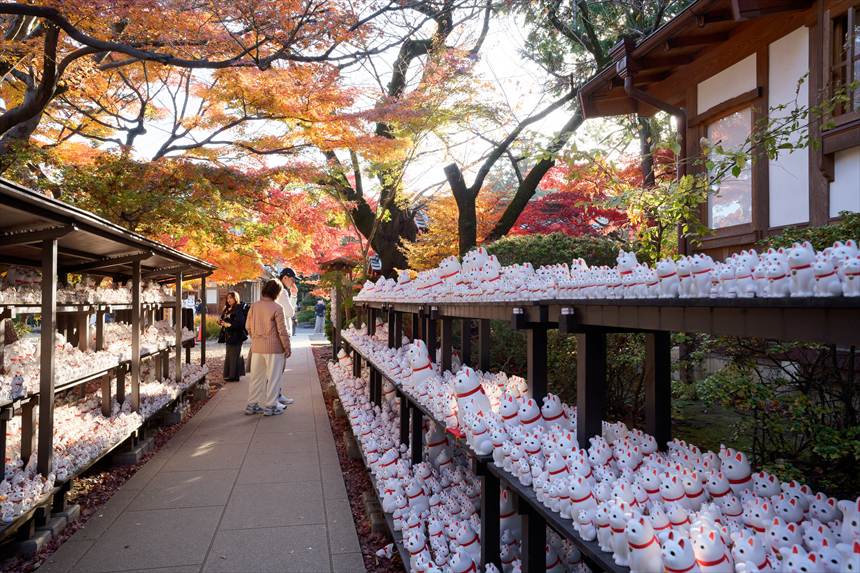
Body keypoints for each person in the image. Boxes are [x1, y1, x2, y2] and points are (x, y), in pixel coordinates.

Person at [244, 280, 291, 416]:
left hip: (257, 347)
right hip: (274, 348)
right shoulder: (277, 308)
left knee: (256, 377)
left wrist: (256, 337)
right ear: (276, 292)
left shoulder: (254, 306)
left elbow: (248, 326)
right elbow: (282, 331)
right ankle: (271, 406)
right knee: (274, 378)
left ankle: (252, 405)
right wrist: (287, 347)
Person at [217, 291, 247, 382]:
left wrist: (229, 324)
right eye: (228, 298)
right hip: (228, 335)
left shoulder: (238, 308)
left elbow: (240, 323)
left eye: (231, 298)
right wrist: (220, 322)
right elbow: (223, 319)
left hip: (237, 335)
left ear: (235, 298)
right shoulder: (227, 308)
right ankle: (231, 374)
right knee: (230, 354)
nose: (229, 299)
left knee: (235, 354)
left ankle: (233, 376)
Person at [277, 268, 298, 336]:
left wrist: (293, 295)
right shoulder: (282, 292)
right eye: (292, 279)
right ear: (285, 278)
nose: (293, 283)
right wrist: (294, 296)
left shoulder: (277, 290)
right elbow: (290, 313)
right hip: (283, 332)